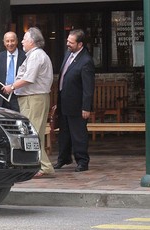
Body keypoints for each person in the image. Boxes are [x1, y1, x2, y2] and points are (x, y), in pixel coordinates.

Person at [3, 27, 55, 178]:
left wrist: (11, 87)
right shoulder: (33, 55)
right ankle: (39, 164)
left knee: (33, 133)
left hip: (35, 98)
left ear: (32, 41)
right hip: (32, 98)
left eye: (25, 39)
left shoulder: (36, 56)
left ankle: (43, 166)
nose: (22, 42)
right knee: (32, 132)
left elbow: (28, 78)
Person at [53, 29, 95, 172]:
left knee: (78, 134)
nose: (68, 44)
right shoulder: (68, 54)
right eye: (67, 41)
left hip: (77, 105)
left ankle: (82, 161)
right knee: (64, 133)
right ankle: (63, 158)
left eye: (71, 42)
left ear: (80, 44)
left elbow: (88, 87)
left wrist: (86, 107)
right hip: (64, 102)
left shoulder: (86, 61)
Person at [0, 31, 26, 112]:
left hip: (19, 96)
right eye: (7, 41)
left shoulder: (25, 57)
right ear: (4, 42)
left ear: (17, 41)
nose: (10, 44)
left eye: (12, 41)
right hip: (2, 96)